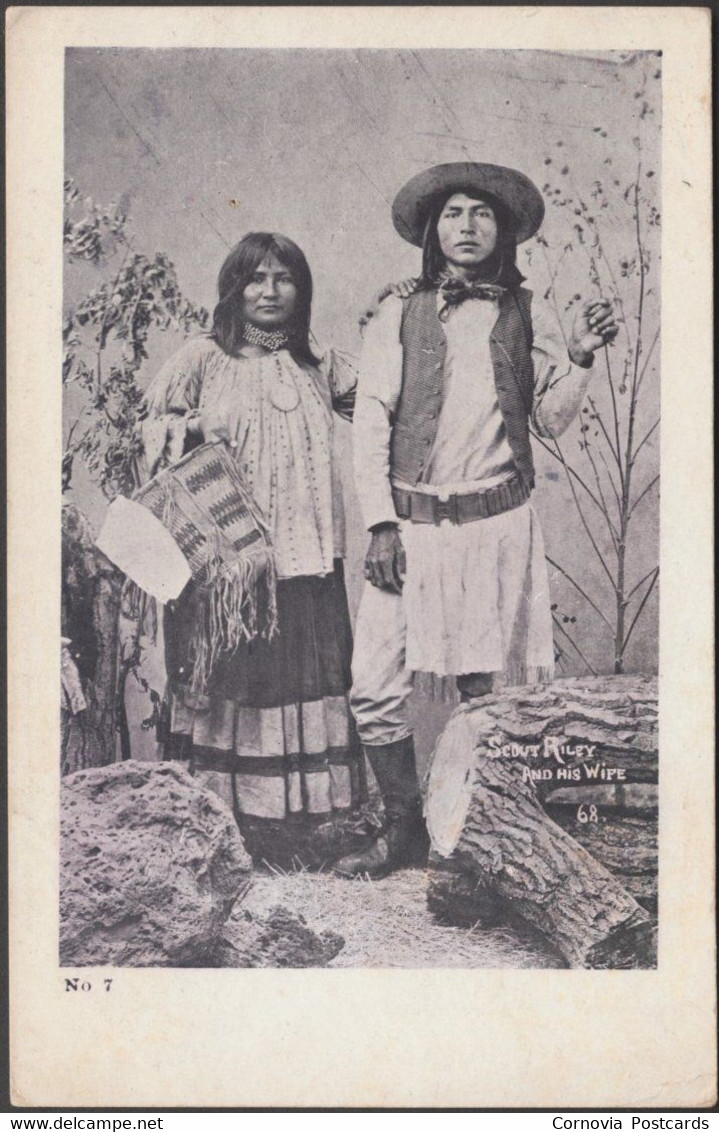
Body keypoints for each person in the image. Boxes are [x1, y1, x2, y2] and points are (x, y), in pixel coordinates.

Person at [334, 161, 618, 879]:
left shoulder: (528, 313)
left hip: (496, 526)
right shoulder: (398, 312)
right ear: (433, 230)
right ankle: (402, 827)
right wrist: (379, 525)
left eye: (481, 214)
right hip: (414, 529)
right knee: (373, 683)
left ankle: (477, 839)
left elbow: (547, 420)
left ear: (504, 230)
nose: (467, 226)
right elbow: (369, 422)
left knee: (483, 693)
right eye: (453, 213)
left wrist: (579, 358)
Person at [140, 232, 362, 856]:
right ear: (234, 288)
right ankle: (228, 828)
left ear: (302, 289)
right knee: (238, 679)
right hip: (228, 566)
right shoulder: (203, 357)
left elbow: (387, 413)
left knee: (306, 674)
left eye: (284, 278)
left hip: (309, 553)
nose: (269, 291)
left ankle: (307, 827)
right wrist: (192, 426)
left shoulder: (322, 362)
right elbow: (146, 430)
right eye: (256, 278)